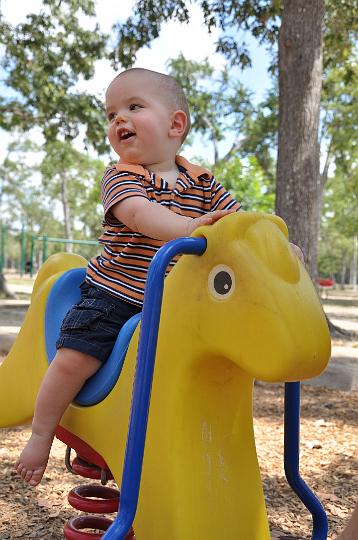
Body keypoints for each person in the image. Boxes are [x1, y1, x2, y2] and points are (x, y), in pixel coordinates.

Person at [16, 67, 304, 487]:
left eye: (133, 107)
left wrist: (274, 244)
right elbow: (140, 215)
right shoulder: (122, 176)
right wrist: (192, 229)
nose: (119, 120)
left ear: (176, 124)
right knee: (74, 360)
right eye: (111, 114)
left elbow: (241, 222)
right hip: (114, 297)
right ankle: (41, 434)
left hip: (174, 303)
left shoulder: (201, 180)